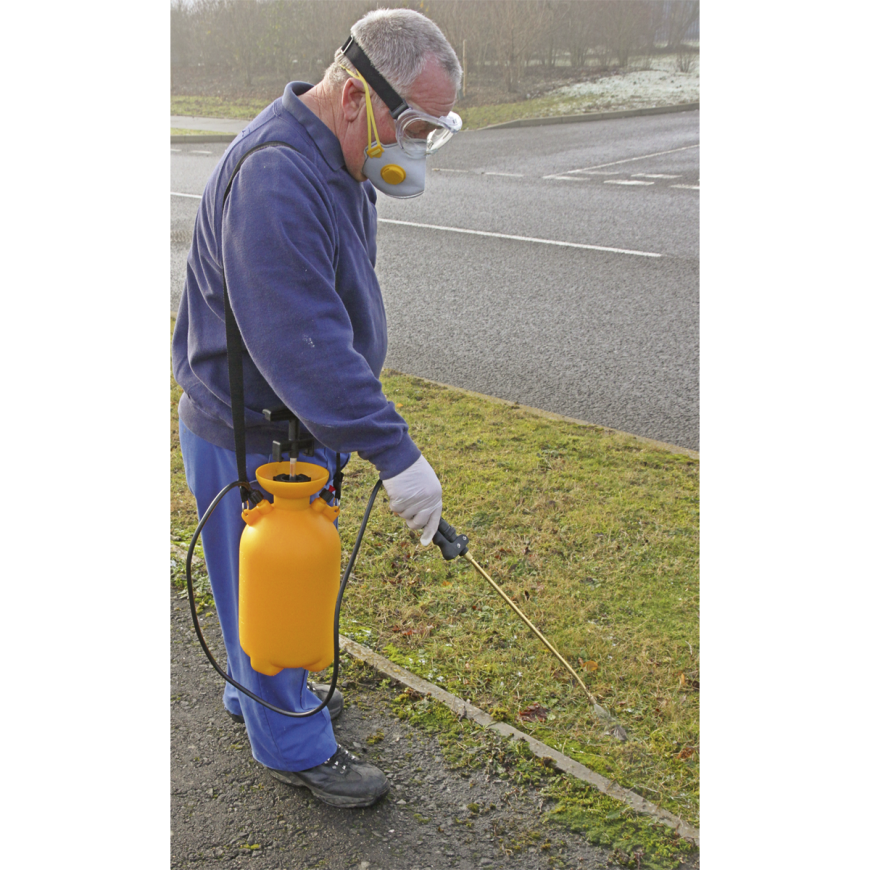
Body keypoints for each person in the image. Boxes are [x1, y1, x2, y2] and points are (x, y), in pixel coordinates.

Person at [171, 9, 463, 809]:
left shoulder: (336, 161)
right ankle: (291, 744)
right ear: (353, 98)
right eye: (413, 126)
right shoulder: (278, 175)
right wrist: (393, 451)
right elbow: (303, 340)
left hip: (284, 426)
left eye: (433, 132)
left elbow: (334, 313)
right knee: (273, 577)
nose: (416, 148)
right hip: (253, 432)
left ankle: (260, 694)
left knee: (263, 593)